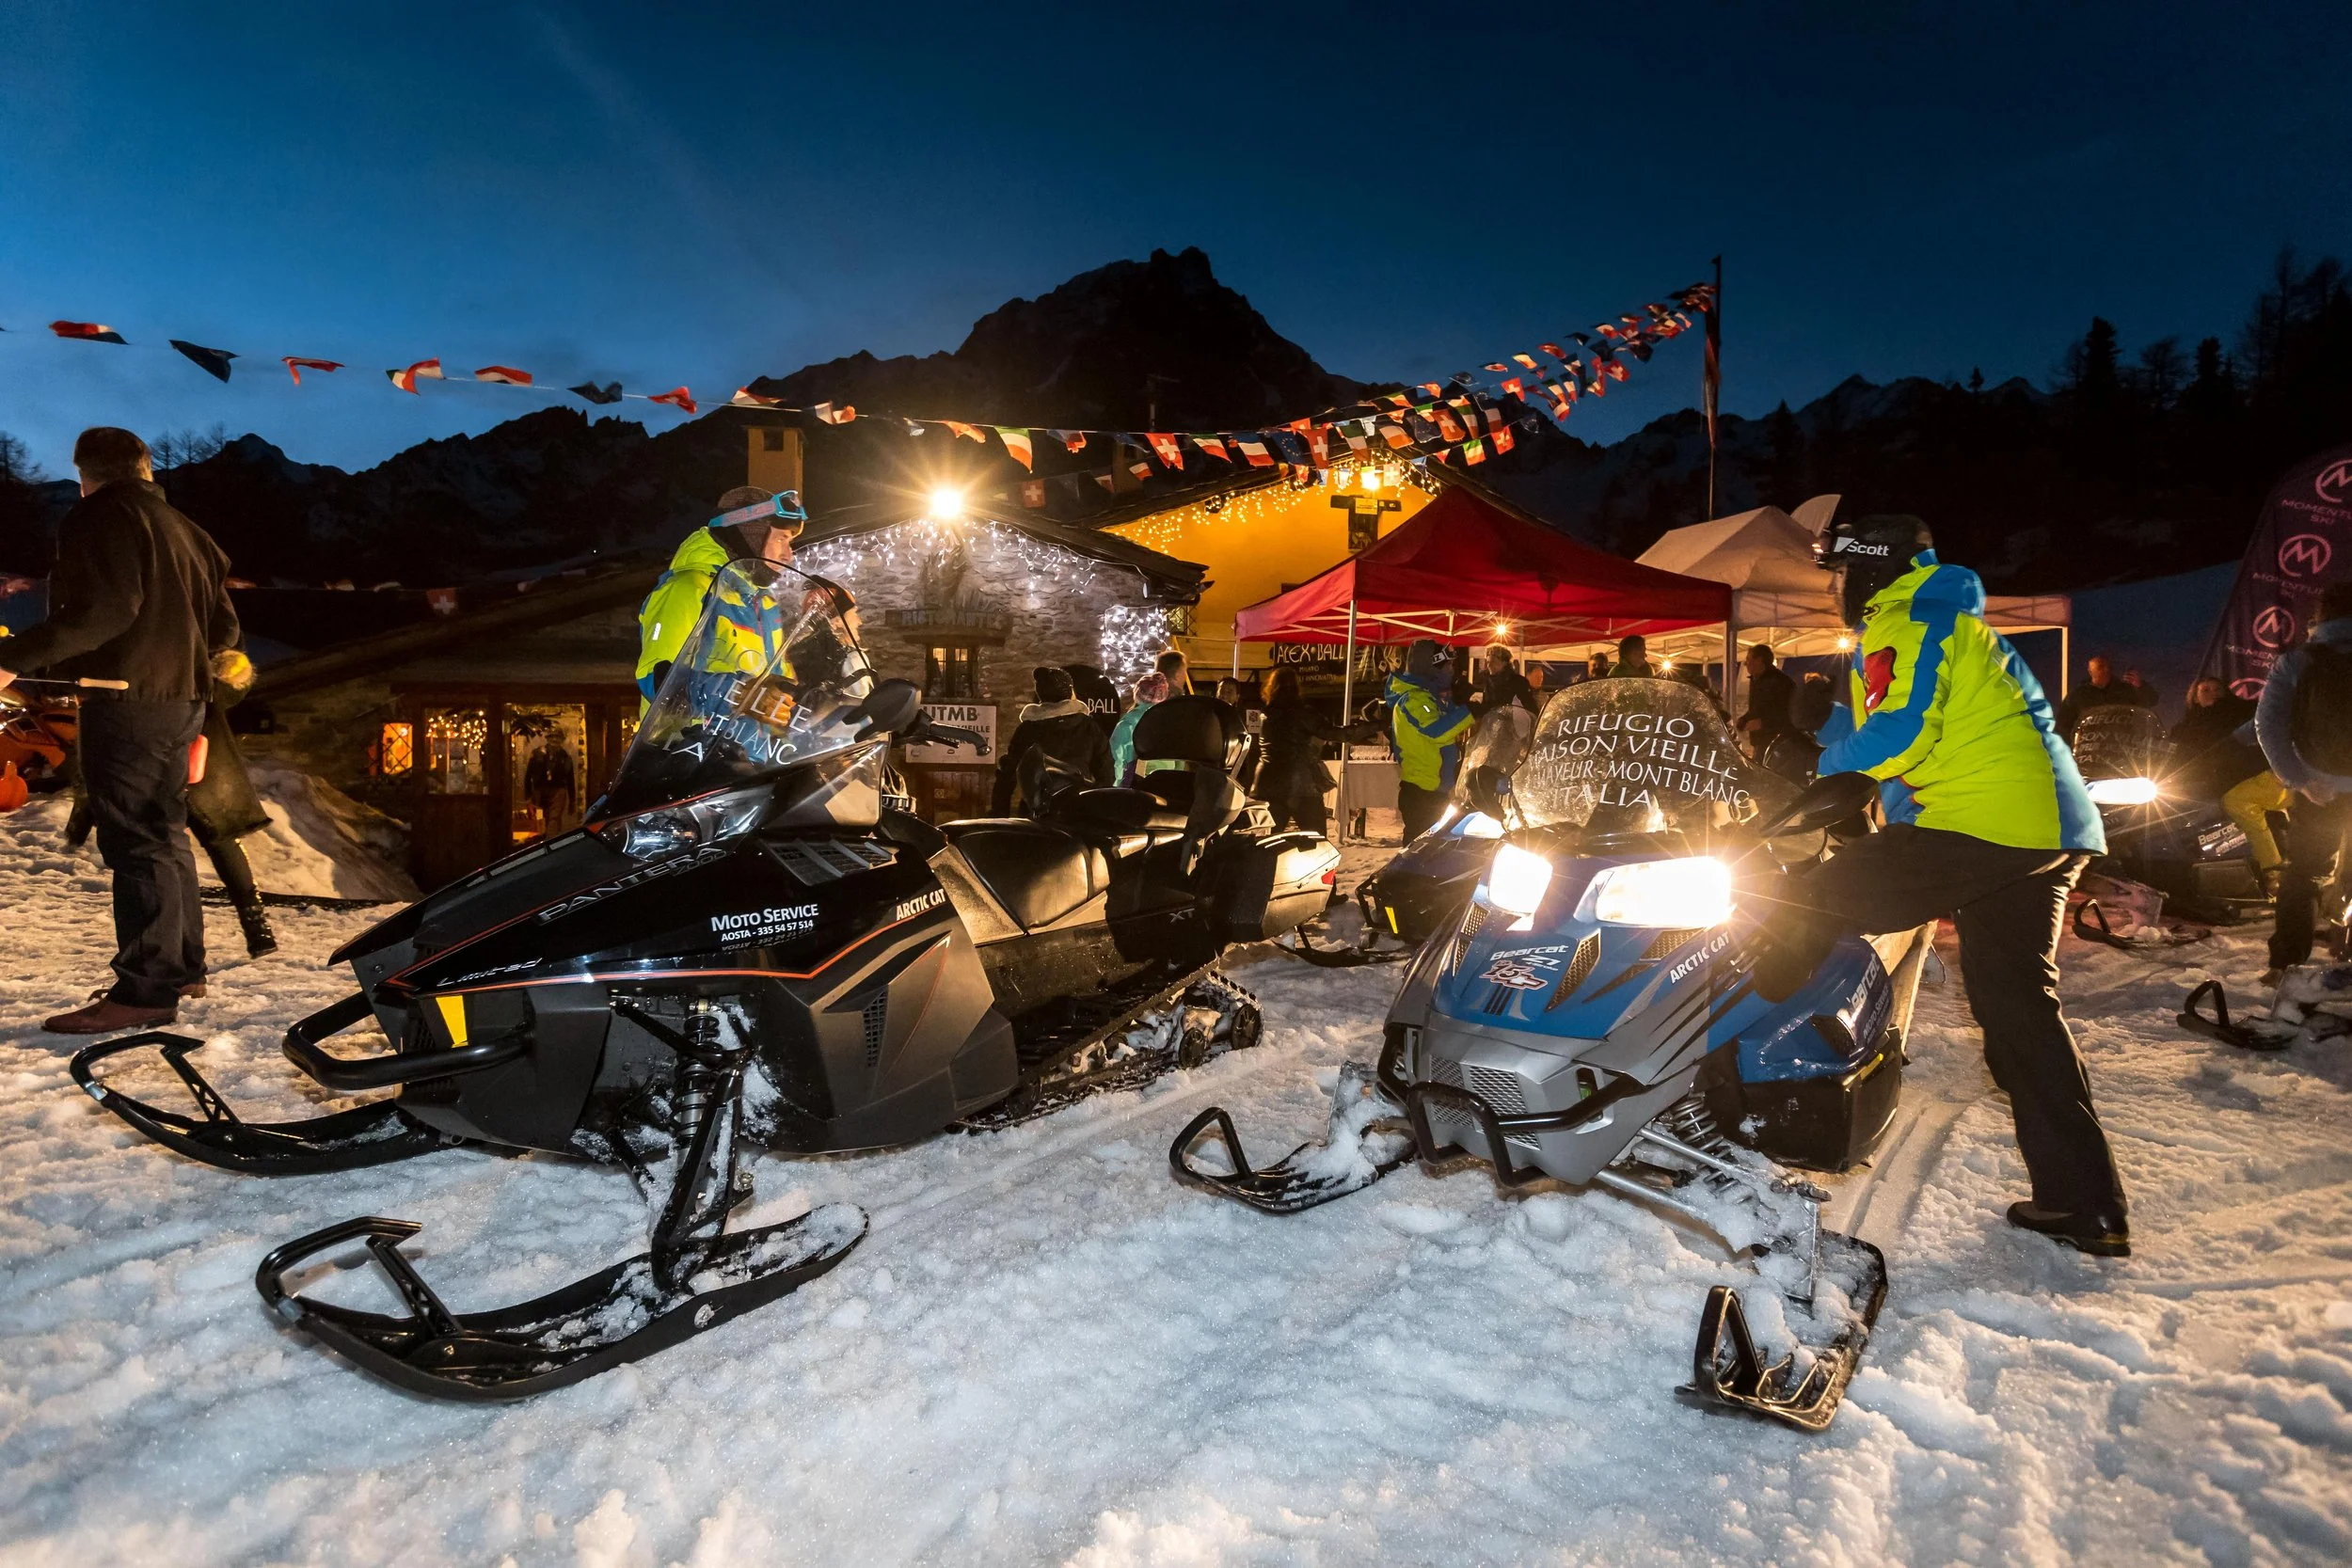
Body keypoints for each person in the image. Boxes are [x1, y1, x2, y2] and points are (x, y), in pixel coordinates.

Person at [1757, 514, 2129, 1257]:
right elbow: (1919, 718)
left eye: (1841, 575)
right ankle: (2084, 1202)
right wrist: (1824, 723)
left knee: (1796, 900)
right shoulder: (1946, 617)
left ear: (1868, 570)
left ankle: (1750, 1101)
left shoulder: (1908, 615)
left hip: (1979, 821)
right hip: (2044, 826)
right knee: (2019, 1011)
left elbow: (1906, 733)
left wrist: (1811, 768)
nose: (1838, 590)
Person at [0, 428, 238, 1034]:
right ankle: (182, 966)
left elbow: (105, 612)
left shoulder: (99, 517)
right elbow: (225, 629)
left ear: (83, 471)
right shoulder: (190, 531)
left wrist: (13, 659)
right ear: (146, 466)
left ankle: (147, 989)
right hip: (182, 698)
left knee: (135, 837)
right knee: (164, 830)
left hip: (125, 697)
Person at [2252, 581, 2352, 981]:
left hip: (2320, 787)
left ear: (2321, 616)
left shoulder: (2297, 661)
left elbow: (2268, 724)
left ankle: (2285, 964)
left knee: (2305, 871)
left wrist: (2299, 778)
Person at [635, 486, 808, 705]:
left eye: (789, 543)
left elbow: (778, 688)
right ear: (750, 536)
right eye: (780, 539)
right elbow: (656, 680)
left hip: (748, 740)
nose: (788, 555)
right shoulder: (689, 588)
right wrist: (740, 696)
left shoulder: (764, 603)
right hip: (687, 738)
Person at [993, 666, 1112, 814]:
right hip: (1078, 808)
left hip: (1036, 809)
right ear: (1069, 691)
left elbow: (1007, 775)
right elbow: (1105, 771)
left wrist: (999, 813)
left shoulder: (1028, 729)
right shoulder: (1088, 726)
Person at [1256, 667, 1360, 835]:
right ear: (1297, 687)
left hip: (1269, 783)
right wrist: (1374, 726)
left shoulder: (1266, 715)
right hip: (1302, 784)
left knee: (1270, 842)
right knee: (1316, 840)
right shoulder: (1304, 713)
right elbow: (1336, 733)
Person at [1387, 640, 1473, 841]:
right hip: (1422, 793)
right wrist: (1469, 711)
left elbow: (1446, 725)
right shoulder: (1413, 699)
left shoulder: (1431, 697)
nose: (1452, 671)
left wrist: (1457, 703)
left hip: (1436, 790)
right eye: (1447, 666)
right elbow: (1436, 731)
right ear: (1431, 668)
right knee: (1419, 854)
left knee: (1436, 852)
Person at [2169, 676, 2260, 800]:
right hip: (2197, 787)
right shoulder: (2183, 728)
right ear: (2195, 697)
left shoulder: (2243, 713)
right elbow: (2175, 757)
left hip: (2241, 782)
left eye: (2218, 689)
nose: (2213, 694)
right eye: (2206, 690)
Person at [2054, 654, 2153, 743]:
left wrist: (2140, 687)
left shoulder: (2126, 691)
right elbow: (2063, 724)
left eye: (2108, 667)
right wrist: (2070, 747)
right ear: (2090, 670)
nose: (2106, 670)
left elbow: (2149, 702)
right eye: (2100, 667)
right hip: (2087, 752)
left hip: (2122, 749)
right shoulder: (2077, 695)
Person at [1737, 643, 1797, 756]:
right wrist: (1744, 719)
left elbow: (1790, 714)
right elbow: (1758, 709)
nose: (1746, 663)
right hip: (1760, 742)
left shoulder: (1781, 682)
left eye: (1748, 659)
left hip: (1778, 745)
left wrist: (1763, 723)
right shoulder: (1756, 680)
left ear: (1759, 660)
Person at [1110, 672, 1169, 785]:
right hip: (1166, 785)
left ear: (1137, 693)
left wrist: (1116, 788)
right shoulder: (1171, 723)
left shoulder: (1126, 724)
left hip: (1136, 785)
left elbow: (1116, 761)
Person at [525, 737, 578, 835]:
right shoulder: (537, 754)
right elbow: (528, 776)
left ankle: (550, 841)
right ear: (548, 740)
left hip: (558, 789)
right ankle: (542, 840)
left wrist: (572, 800)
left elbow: (570, 779)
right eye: (553, 740)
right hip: (540, 790)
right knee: (541, 817)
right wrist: (528, 797)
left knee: (554, 818)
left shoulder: (565, 757)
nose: (554, 744)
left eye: (557, 740)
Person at [1469, 646, 1534, 716]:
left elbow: (1530, 708)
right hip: (1492, 725)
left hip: (1514, 725)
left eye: (1493, 662)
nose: (1489, 665)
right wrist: (1474, 707)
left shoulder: (1518, 682)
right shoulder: (1489, 682)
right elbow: (1487, 708)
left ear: (1504, 663)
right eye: (1487, 662)